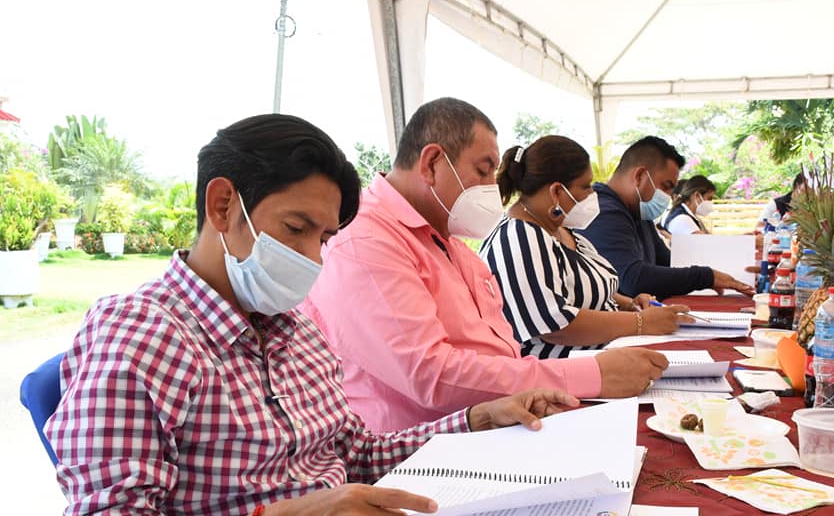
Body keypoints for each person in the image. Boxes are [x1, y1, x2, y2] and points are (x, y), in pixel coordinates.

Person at [45, 114, 581, 516]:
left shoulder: (294, 328)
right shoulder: (141, 337)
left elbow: (354, 455)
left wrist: (476, 420)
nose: (313, 260)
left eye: (323, 239)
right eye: (296, 228)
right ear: (223, 205)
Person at [302, 98, 668, 433]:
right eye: (483, 171)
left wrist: (538, 392)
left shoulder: (448, 243)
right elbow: (430, 374)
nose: (493, 187)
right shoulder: (366, 242)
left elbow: (497, 350)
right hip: (423, 454)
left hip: (496, 424)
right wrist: (589, 374)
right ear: (431, 163)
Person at [479, 135, 691, 359]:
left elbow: (587, 288)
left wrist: (631, 304)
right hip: (560, 374)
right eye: (586, 186)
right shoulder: (518, 237)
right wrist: (640, 322)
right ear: (557, 191)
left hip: (605, 361)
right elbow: (556, 326)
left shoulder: (563, 231)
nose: (593, 195)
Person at [578, 136, 754, 300]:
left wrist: (730, 266)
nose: (668, 197)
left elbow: (669, 262)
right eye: (666, 186)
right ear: (639, 176)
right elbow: (632, 280)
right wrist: (706, 277)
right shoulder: (603, 212)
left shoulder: (639, 213)